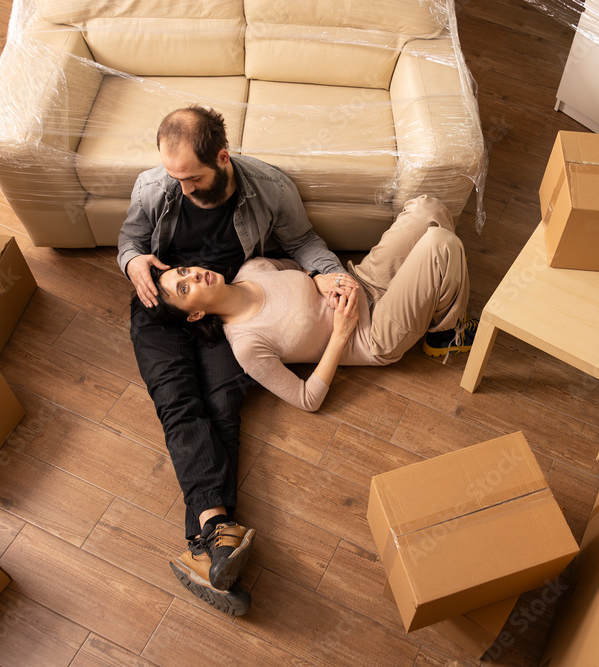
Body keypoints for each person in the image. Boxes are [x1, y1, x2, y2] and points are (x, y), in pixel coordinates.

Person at [118, 105, 353, 615]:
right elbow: (130, 241)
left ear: (222, 157)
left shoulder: (269, 186)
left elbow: (304, 241)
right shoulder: (155, 187)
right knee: (180, 403)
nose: (179, 187)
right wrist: (134, 260)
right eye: (172, 175)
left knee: (223, 405)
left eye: (191, 177)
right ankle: (214, 539)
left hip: (228, 310)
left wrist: (328, 273)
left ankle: (208, 541)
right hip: (163, 307)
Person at [145, 195, 477, 412]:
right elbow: (308, 399)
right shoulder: (247, 346)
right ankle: (445, 332)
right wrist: (341, 334)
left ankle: (439, 296)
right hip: (373, 333)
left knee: (427, 208)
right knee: (439, 243)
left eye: (184, 272)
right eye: (184, 288)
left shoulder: (253, 268)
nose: (195, 277)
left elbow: (298, 270)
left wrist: (317, 276)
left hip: (363, 281)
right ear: (196, 314)